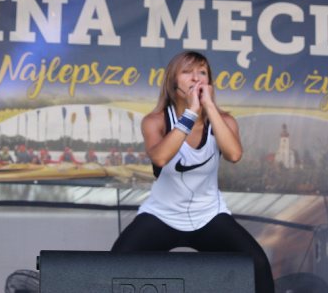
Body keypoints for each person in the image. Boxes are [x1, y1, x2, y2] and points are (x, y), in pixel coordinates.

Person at [111, 51, 274, 293]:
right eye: (187, 72)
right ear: (173, 81)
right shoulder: (155, 121)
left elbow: (234, 155)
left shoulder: (224, 121)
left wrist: (209, 107)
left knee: (257, 265)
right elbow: (160, 157)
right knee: (115, 265)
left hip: (209, 215)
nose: (196, 78)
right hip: (162, 215)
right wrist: (190, 113)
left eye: (202, 73)